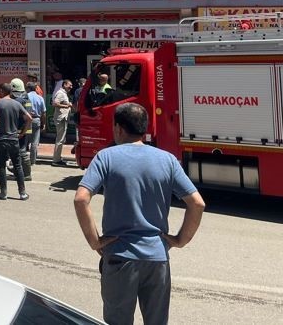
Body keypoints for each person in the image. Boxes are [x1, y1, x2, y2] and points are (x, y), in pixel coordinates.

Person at [74, 103, 205, 325]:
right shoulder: (167, 160)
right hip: (157, 257)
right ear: (144, 128)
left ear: (118, 128)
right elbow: (197, 204)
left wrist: (95, 241)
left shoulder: (105, 157)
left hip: (120, 256)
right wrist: (179, 240)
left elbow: (81, 199)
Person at [0, 82, 32, 200]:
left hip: (1, 139)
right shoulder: (16, 104)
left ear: (2, 91)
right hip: (13, 139)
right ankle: (22, 193)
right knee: (18, 165)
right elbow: (29, 118)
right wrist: (22, 132)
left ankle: (3, 193)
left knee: (2, 166)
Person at [51, 78, 73, 166]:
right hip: (61, 119)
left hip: (63, 118)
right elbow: (55, 103)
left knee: (61, 139)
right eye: (69, 85)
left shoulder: (64, 93)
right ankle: (56, 160)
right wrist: (66, 106)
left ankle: (58, 158)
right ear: (64, 85)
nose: (71, 87)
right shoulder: (60, 93)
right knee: (60, 140)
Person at [26, 81, 46, 165]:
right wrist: (43, 123)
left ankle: (23, 159)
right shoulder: (40, 98)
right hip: (36, 120)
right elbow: (43, 113)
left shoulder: (26, 97)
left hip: (27, 121)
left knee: (25, 140)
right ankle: (32, 161)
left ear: (28, 88)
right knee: (34, 142)